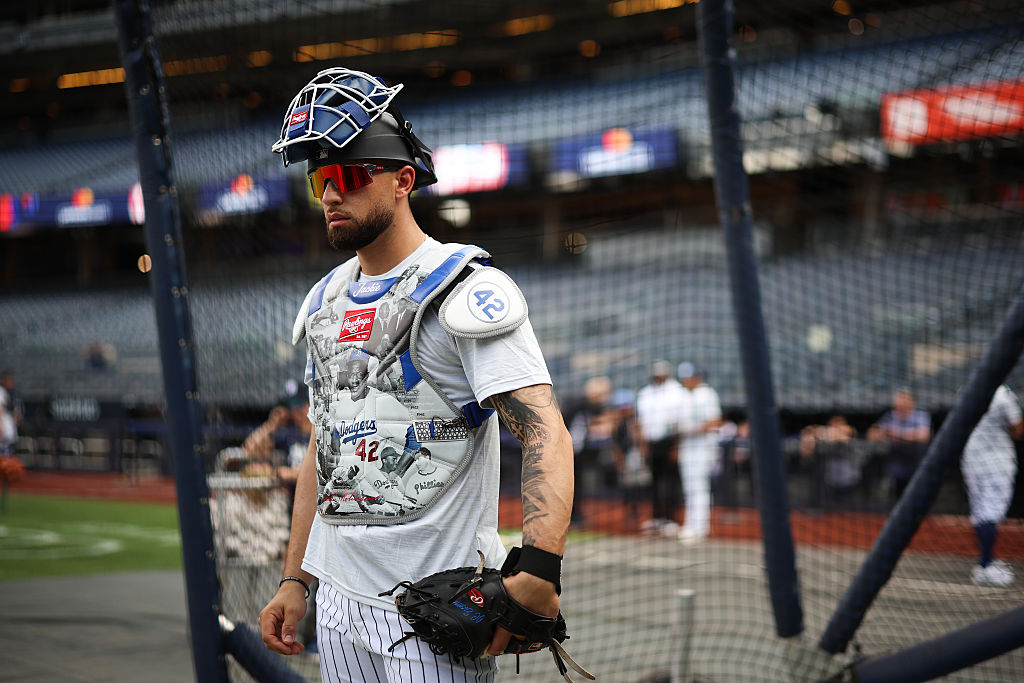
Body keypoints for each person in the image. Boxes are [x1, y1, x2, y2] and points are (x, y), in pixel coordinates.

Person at [257, 68, 573, 683]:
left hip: (431, 612)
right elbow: (324, 452)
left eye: (348, 175)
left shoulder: (466, 288)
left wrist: (538, 565)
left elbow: (543, 431)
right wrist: (296, 579)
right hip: (340, 606)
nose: (329, 194)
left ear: (403, 181)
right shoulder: (324, 302)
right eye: (320, 179)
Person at [961, 385, 1023, 587]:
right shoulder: (1003, 395)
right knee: (991, 511)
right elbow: (1018, 429)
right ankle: (985, 565)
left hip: (971, 457)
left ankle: (985, 561)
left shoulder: (969, 390)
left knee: (980, 510)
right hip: (997, 459)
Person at [635, 360, 686, 536]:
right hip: (651, 443)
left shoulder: (677, 391)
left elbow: (679, 422)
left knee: (671, 482)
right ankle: (656, 518)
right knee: (654, 482)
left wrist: (676, 447)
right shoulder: (646, 393)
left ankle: (670, 519)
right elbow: (640, 422)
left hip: (669, 442)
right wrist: (643, 446)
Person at [562, 375, 618, 527]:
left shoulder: (591, 407)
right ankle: (570, 515)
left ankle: (575, 515)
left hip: (579, 452)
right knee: (569, 485)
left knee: (578, 484)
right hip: (566, 451)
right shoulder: (578, 404)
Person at [676, 363, 722, 545]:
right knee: (689, 488)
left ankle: (700, 527)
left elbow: (715, 421)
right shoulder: (685, 396)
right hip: (688, 448)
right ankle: (690, 525)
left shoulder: (707, 394)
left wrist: (691, 430)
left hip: (703, 448)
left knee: (700, 488)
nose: (686, 381)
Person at [867, 388, 931, 501]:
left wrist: (896, 435)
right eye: (898, 401)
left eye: (904, 401)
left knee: (916, 498)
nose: (900, 404)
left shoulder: (920, 415)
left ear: (911, 403)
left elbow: (923, 436)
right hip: (895, 465)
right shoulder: (890, 416)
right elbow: (872, 435)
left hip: (915, 464)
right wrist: (884, 433)